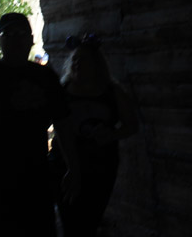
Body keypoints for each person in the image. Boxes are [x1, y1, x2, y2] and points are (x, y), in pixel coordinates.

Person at [0, 13, 81, 237]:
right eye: (9, 34)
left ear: (31, 39)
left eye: (21, 34)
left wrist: (74, 166)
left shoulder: (45, 77)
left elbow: (63, 123)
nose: (16, 40)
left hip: (34, 177)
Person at [51, 35, 139, 237]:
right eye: (74, 59)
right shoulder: (62, 91)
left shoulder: (113, 92)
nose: (77, 63)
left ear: (97, 64)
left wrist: (111, 135)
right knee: (69, 218)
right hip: (63, 163)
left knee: (90, 217)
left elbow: (132, 125)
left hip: (100, 165)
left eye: (84, 59)